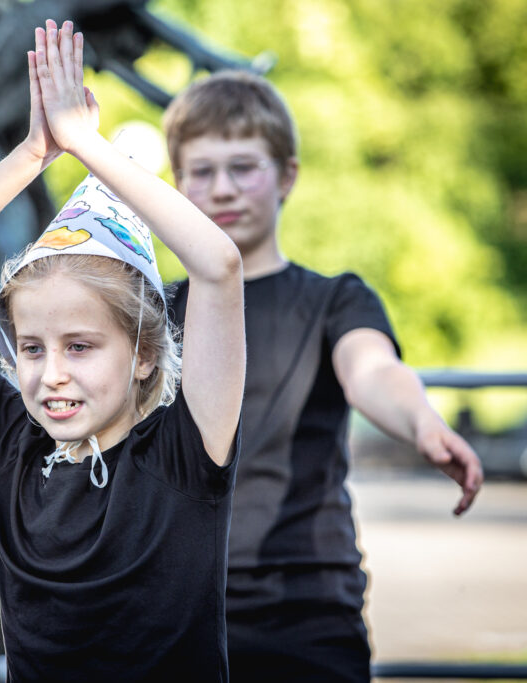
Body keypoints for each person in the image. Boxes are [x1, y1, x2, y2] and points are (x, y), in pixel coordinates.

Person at [0, 19, 244, 682]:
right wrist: (32, 156)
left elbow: (219, 265)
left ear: (141, 353)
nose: (50, 375)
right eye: (30, 348)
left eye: (80, 346)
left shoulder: (185, 452)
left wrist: (86, 145)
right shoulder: (8, 441)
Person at [162, 70, 485, 682]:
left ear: (287, 177)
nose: (223, 188)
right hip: (173, 605)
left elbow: (372, 369)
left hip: (305, 608)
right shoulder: (150, 312)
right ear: (176, 185)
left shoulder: (335, 299)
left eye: (243, 167)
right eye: (202, 171)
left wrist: (420, 421)